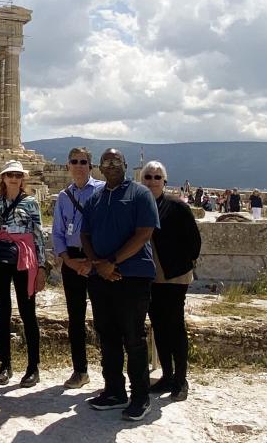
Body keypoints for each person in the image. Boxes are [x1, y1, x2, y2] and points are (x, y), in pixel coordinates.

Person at [81, 148, 159, 421]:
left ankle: (141, 396)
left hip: (133, 276)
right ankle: (114, 390)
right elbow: (85, 234)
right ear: (99, 167)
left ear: (125, 165)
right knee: (107, 335)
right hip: (101, 277)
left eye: (116, 161)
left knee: (133, 337)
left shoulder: (140, 194)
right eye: (106, 162)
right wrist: (98, 265)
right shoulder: (95, 198)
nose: (111, 165)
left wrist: (112, 262)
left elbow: (144, 233)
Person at [141, 161, 200, 402]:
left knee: (175, 327)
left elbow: (194, 242)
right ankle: (167, 375)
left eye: (157, 177)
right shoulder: (139, 206)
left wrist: (183, 265)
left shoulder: (177, 207)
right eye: (148, 176)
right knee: (158, 326)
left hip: (174, 276)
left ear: (164, 181)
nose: (152, 181)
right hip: (149, 276)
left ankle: (181, 379)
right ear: (142, 179)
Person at [0, 160, 48, 388]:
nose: (13, 178)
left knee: (28, 312)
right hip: (0, 259)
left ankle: (33, 367)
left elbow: (38, 234)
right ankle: (5, 364)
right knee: (2, 313)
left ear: (23, 179)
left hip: (25, 259)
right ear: (3, 178)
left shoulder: (31, 203)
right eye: (9, 174)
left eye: (17, 175)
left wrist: (41, 267)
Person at [51, 148, 104, 389]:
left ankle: (110, 372)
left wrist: (92, 262)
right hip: (72, 259)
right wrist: (70, 262)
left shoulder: (103, 191)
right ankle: (80, 371)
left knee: (105, 317)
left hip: (97, 258)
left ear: (90, 166)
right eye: (75, 161)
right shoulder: (63, 197)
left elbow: (107, 228)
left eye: (84, 162)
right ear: (68, 165)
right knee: (75, 319)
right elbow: (58, 233)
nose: (79, 165)